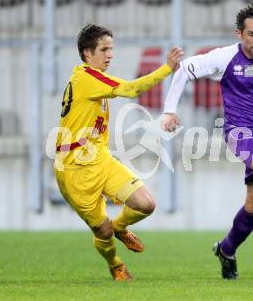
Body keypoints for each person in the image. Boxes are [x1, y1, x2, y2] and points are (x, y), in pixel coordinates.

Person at [161, 5, 253, 279]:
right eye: (252, 34)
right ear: (239, 33)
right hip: (239, 131)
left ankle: (226, 250)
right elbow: (183, 70)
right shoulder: (225, 57)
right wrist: (169, 110)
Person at [54, 24, 183, 281]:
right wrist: (167, 68)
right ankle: (115, 265)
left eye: (111, 48)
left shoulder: (91, 78)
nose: (110, 54)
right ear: (87, 53)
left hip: (99, 159)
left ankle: (120, 227)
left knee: (146, 204)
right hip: (74, 171)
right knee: (102, 232)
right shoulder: (87, 78)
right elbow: (132, 90)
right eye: (104, 49)